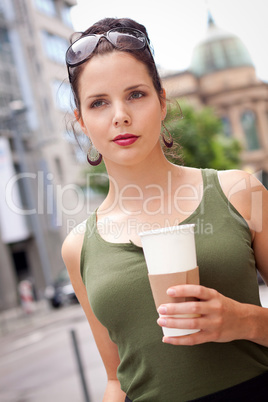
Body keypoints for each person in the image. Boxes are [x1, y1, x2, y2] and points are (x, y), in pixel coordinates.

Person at [62, 17, 268, 402]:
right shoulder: (78, 247)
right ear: (82, 122)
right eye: (99, 102)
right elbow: (115, 380)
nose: (120, 114)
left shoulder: (240, 192)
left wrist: (242, 320)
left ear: (161, 101)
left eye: (136, 94)